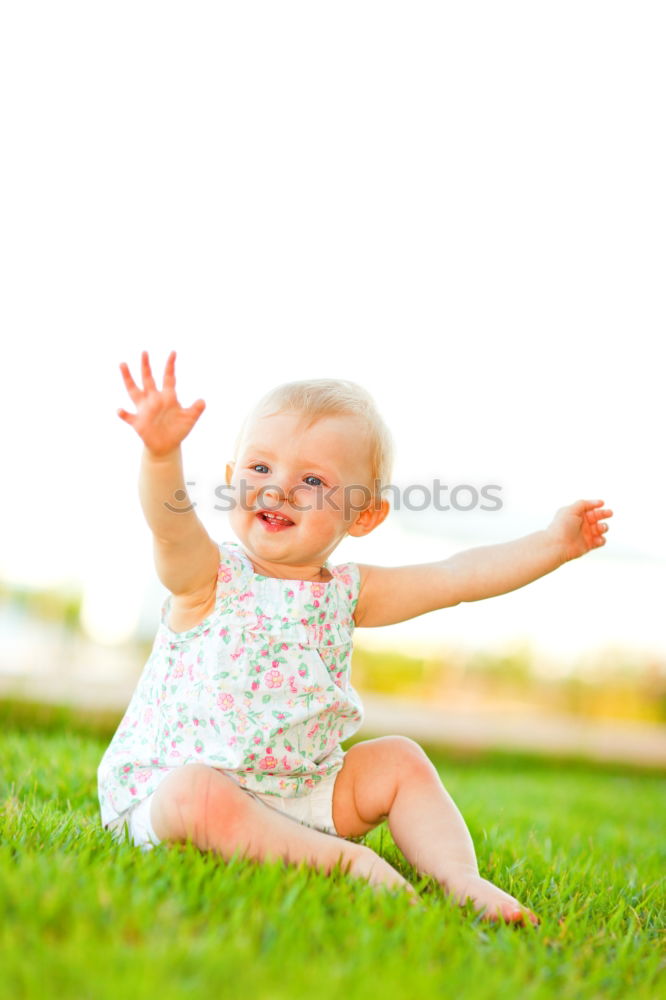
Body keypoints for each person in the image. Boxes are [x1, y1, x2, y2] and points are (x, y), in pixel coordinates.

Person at [98, 350, 612, 925]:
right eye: (260, 469)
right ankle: (350, 865)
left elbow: (457, 578)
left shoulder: (349, 592)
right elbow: (169, 527)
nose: (279, 490)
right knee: (195, 793)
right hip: (178, 799)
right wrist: (162, 453)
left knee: (399, 759)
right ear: (231, 480)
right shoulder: (208, 578)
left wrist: (552, 545)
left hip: (301, 791)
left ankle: (461, 879)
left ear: (363, 516)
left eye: (312, 480)